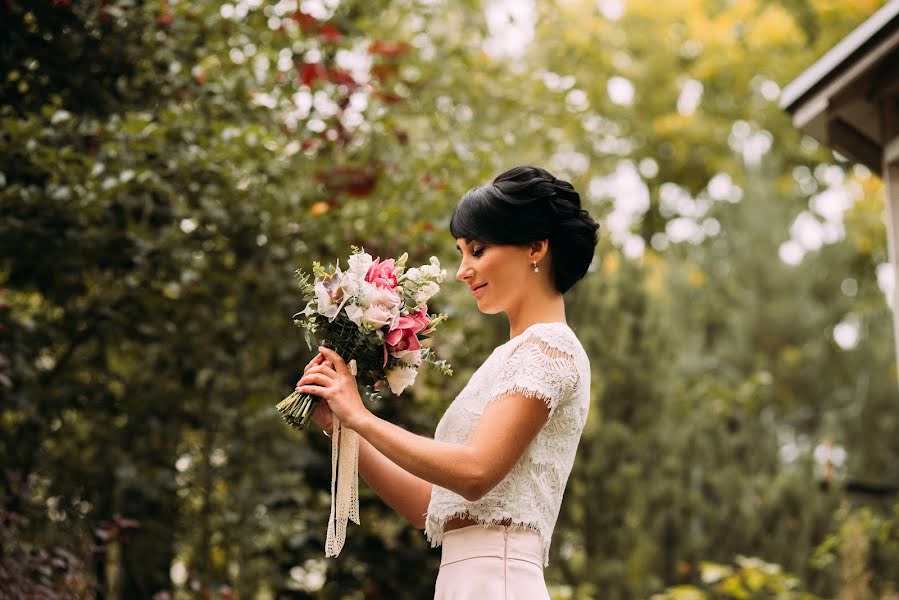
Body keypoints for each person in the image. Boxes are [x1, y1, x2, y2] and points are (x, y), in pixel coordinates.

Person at [295, 165, 599, 599]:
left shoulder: (549, 348)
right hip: (461, 582)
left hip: (501, 582)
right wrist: (339, 424)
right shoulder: (508, 357)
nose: (462, 270)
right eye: (460, 252)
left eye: (477, 250)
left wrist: (361, 417)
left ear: (536, 246)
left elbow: (475, 473)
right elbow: (429, 507)